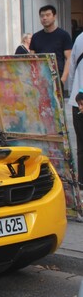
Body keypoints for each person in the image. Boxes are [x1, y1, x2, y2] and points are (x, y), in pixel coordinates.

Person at [30, 4, 73, 85]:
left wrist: (63, 79)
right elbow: (31, 58)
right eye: (42, 16)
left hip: (56, 77)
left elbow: (69, 58)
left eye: (48, 15)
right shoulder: (35, 37)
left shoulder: (63, 35)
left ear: (54, 17)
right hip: (39, 79)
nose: (44, 18)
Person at [67, 32, 83, 186]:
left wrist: (73, 92)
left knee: (81, 145)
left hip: (78, 99)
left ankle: (82, 181)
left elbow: (72, 70)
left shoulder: (79, 39)